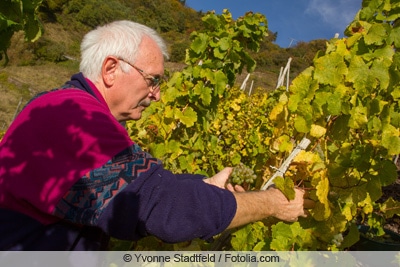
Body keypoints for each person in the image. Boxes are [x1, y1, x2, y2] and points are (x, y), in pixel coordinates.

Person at [0, 20, 311, 251]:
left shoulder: (65, 109)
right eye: (152, 80)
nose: (157, 95)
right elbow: (166, 212)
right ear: (111, 69)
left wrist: (200, 186)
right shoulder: (73, 116)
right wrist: (273, 203)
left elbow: (137, 189)